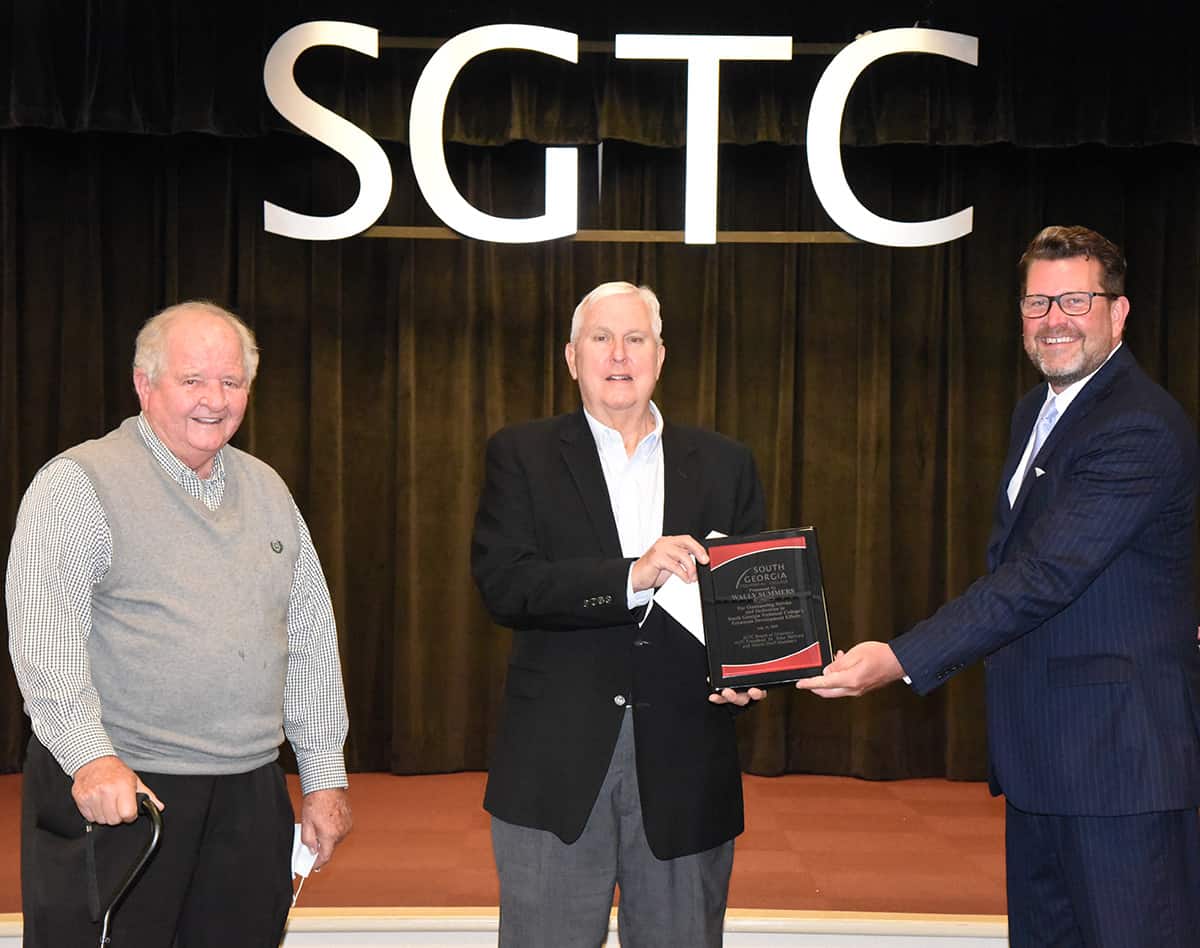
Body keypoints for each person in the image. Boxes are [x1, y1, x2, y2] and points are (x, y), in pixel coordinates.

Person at [796, 226, 1200, 946]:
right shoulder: (1035, 413)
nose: (1054, 320)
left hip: (1118, 771)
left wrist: (900, 656)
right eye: (1037, 302)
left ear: (1119, 311)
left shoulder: (1137, 426)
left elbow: (1043, 575)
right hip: (1044, 763)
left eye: (1075, 299)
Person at [7, 301, 352, 947]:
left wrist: (324, 775)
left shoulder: (269, 488)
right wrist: (90, 759)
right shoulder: (77, 483)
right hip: (121, 790)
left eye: (231, 381)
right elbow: (44, 642)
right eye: (193, 380)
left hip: (249, 794)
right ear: (145, 384)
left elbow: (308, 639)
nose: (214, 400)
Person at [471, 281, 767, 948]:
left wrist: (751, 675)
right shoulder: (520, 455)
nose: (618, 355)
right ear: (571, 357)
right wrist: (633, 575)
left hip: (688, 774)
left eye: (636, 339)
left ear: (660, 357)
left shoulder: (726, 464)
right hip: (555, 771)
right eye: (600, 338)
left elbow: (748, 610)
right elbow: (505, 585)